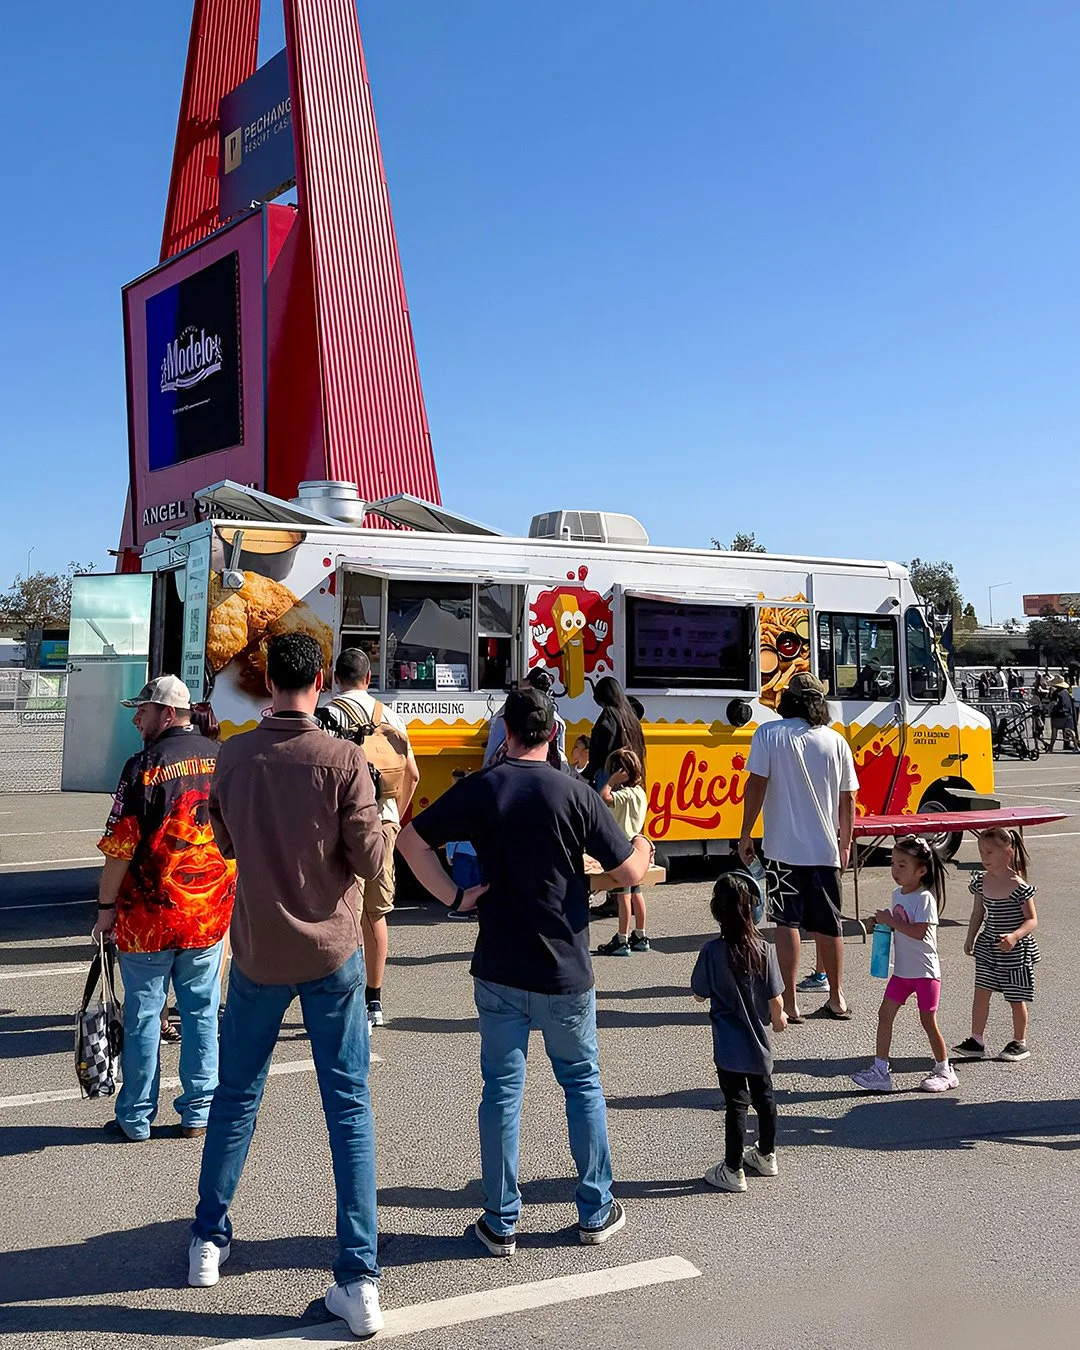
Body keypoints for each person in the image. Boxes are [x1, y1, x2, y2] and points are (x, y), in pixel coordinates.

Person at [397, 686, 653, 1255]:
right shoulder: (576, 793)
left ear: (505, 732)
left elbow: (411, 842)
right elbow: (629, 867)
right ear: (556, 734)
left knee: (501, 1094)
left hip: (499, 966)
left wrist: (455, 896)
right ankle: (594, 1210)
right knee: (582, 1086)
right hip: (566, 967)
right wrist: (641, 843)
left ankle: (500, 1221)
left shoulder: (482, 788)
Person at [189, 634, 387, 1338]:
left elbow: (227, 844)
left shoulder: (235, 755)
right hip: (332, 950)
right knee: (349, 1108)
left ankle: (207, 1241)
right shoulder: (344, 759)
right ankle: (359, 1276)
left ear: (268, 681)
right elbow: (368, 861)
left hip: (256, 950)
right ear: (324, 681)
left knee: (236, 1095)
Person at [92, 676, 235, 1144]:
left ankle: (135, 1119)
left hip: (148, 921)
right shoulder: (223, 760)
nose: (136, 719)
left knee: (144, 1016)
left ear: (168, 714)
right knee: (201, 1014)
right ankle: (199, 1113)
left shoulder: (142, 767)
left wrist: (105, 908)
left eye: (144, 711)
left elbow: (120, 848)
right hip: (208, 916)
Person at [738, 672, 858, 1021]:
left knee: (785, 923)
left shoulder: (769, 734)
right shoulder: (836, 742)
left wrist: (746, 834)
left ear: (788, 700)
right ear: (820, 702)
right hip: (825, 848)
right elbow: (847, 800)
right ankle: (837, 998)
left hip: (780, 848)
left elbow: (756, 786)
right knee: (829, 924)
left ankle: (789, 1004)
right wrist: (846, 843)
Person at [320, 646, 420, 1028]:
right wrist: (392, 814)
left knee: (341, 909)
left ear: (335, 679)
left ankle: (339, 994)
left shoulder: (328, 716)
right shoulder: (391, 715)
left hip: (340, 823)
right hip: (384, 820)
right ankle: (374, 1001)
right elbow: (412, 774)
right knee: (376, 912)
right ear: (368, 679)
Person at [691, 873, 786, 1193]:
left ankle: (733, 1169)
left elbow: (699, 992)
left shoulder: (711, 951)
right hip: (759, 1045)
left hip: (728, 1047)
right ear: (753, 911)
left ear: (716, 911)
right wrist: (779, 1018)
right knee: (765, 1099)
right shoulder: (765, 950)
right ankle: (767, 1153)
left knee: (736, 1105)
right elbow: (776, 1000)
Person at [851, 837, 956, 1093]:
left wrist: (892, 921)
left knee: (927, 1020)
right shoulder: (897, 894)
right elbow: (898, 925)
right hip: (901, 972)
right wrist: (881, 923)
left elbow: (919, 932)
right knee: (884, 1014)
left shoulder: (925, 899)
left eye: (903, 866)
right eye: (894, 864)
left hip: (925, 972)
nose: (896, 871)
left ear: (921, 870)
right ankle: (880, 1070)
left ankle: (945, 1069)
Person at [952, 827, 1039, 1064]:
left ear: (1008, 853)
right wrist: (970, 937)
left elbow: (1032, 920)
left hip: (1015, 951)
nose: (984, 857)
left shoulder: (1019, 885)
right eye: (981, 852)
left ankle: (1019, 1042)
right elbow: (977, 912)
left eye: (990, 852)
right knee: (981, 993)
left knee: (1015, 997)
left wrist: (1014, 936)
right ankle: (976, 1040)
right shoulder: (981, 882)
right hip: (989, 947)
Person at [595, 749, 651, 956]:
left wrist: (610, 781)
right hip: (636, 845)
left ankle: (621, 938)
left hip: (622, 848)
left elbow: (603, 798)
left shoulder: (624, 794)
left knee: (623, 896)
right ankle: (640, 934)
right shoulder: (640, 792)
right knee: (637, 893)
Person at [484, 667, 567, 766]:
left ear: (528, 684)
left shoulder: (511, 712)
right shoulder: (557, 720)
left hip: (510, 769)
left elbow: (494, 746)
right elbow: (560, 751)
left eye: (524, 680)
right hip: (547, 770)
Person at [583, 676, 646, 788]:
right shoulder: (631, 717)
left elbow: (602, 747)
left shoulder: (609, 715)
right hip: (632, 774)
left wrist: (589, 772)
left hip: (610, 775)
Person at [1046, 677, 1076, 752]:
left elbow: (1053, 704)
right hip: (1068, 714)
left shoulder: (1056, 693)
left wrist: (1049, 711)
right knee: (1071, 731)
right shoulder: (1066, 692)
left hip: (1058, 715)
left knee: (1054, 731)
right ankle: (1076, 745)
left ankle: (1051, 748)